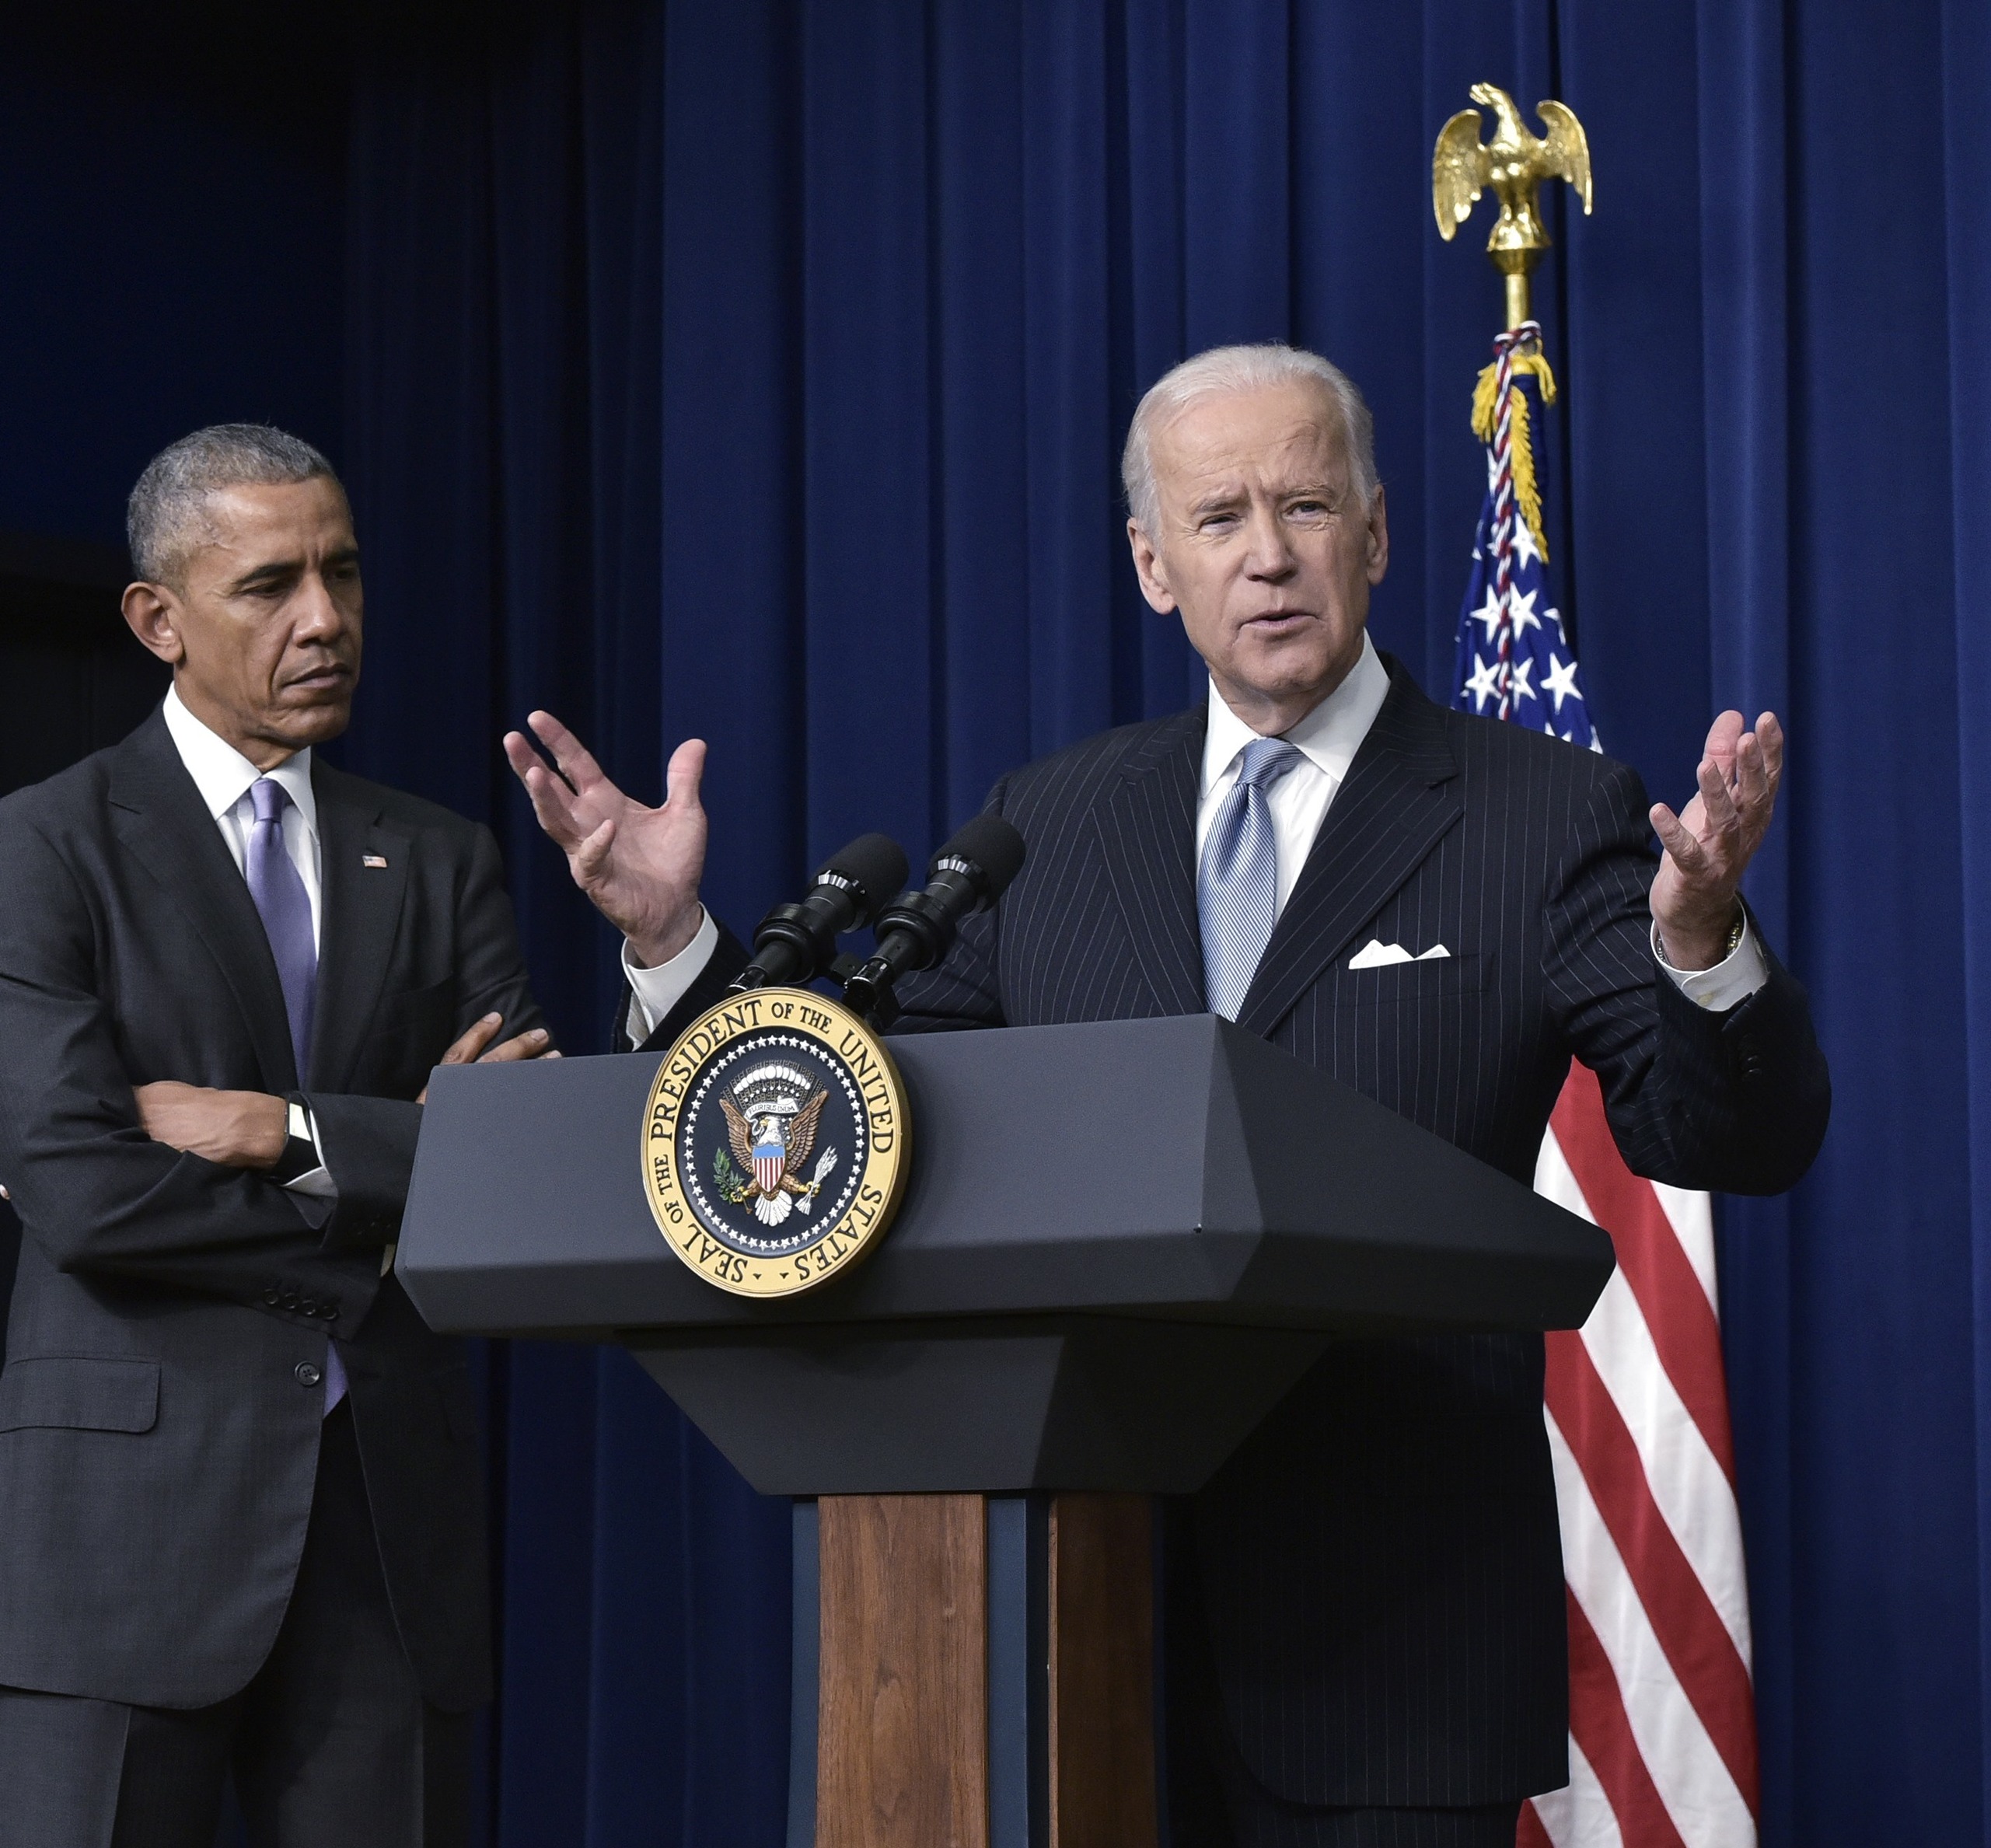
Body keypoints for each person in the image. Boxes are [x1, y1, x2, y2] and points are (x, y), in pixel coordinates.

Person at [502, 346, 1828, 1846]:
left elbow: (1721, 1133)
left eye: (1307, 504)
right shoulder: (1046, 821)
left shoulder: (1540, 808)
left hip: (1388, 1643)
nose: (1267, 553)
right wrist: (674, 941)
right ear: (1151, 565)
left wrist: (1701, 937)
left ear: (1377, 536)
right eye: (1217, 519)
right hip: (1064, 1627)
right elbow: (853, 1120)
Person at [0, 424, 551, 1847]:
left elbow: (517, 1162)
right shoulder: (40, 844)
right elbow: (82, 1190)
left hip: (382, 1539)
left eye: (341, 572)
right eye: (269, 584)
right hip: (116, 1537)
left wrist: (264, 1126)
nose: (325, 619)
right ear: (158, 619)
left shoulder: (444, 852)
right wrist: (379, 1172)